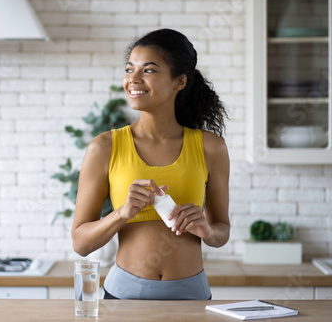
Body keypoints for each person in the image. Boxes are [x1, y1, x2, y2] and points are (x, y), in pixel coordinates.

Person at [71, 28, 230, 300]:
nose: (133, 79)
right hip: (124, 295)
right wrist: (122, 213)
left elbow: (221, 231)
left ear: (179, 81)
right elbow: (81, 243)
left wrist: (207, 230)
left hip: (191, 295)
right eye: (129, 69)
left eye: (148, 70)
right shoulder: (105, 147)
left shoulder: (210, 147)